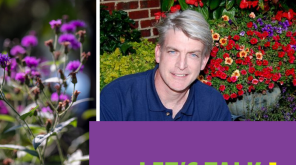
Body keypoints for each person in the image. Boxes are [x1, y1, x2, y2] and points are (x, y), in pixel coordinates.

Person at [99, 10, 231, 121]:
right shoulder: (116, 98)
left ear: (203, 61)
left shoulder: (213, 104)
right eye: (173, 52)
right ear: (158, 53)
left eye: (193, 55)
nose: (181, 65)